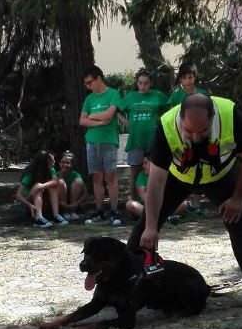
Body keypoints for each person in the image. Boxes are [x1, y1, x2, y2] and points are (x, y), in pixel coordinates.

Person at [127, 93, 242, 310]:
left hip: (219, 177)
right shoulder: (166, 125)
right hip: (178, 178)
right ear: (181, 118)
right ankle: (122, 289)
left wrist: (238, 198)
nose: (196, 137)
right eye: (189, 131)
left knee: (241, 224)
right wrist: (152, 227)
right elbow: (156, 182)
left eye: (203, 131)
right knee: (143, 229)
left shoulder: (230, 114)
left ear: (213, 117)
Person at [79, 65, 122, 226]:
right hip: (92, 141)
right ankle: (99, 210)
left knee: (110, 176)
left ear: (98, 79)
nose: (88, 86)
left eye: (89, 82)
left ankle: (114, 211)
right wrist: (100, 122)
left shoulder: (113, 94)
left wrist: (92, 116)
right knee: (96, 177)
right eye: (86, 84)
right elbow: (82, 121)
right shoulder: (89, 99)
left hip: (109, 140)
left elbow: (109, 115)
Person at [116, 68, 168, 201]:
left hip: (154, 140)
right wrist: (127, 123)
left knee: (155, 172)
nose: (142, 86)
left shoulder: (158, 95)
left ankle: (157, 202)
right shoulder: (130, 97)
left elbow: (170, 108)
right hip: (135, 140)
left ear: (151, 83)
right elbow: (116, 110)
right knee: (135, 173)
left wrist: (160, 122)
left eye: (145, 83)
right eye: (140, 83)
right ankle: (133, 202)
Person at [168, 62, 210, 217]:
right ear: (180, 79)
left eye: (191, 77)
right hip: (181, 136)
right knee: (183, 168)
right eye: (185, 77)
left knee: (200, 166)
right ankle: (183, 205)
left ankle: (196, 203)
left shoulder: (203, 93)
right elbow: (171, 116)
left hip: (199, 135)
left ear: (194, 77)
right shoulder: (176, 95)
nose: (188, 80)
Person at [125, 154, 187, 223]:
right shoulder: (141, 175)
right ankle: (165, 218)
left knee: (183, 202)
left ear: (154, 164)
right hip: (147, 207)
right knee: (130, 204)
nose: (143, 166)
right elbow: (143, 196)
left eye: (145, 163)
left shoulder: (165, 174)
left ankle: (158, 218)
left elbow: (170, 194)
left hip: (163, 207)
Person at [15, 150, 69, 228]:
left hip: (40, 202)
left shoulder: (51, 169)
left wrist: (40, 186)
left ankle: (56, 216)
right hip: (27, 203)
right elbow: (18, 195)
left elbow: (55, 182)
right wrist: (30, 205)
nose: (54, 164)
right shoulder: (30, 173)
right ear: (44, 164)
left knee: (49, 186)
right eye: (52, 162)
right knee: (38, 186)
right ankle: (39, 218)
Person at [57, 150, 87, 221]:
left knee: (78, 182)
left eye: (68, 163)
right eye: (63, 162)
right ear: (59, 163)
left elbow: (85, 193)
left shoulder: (75, 174)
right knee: (60, 182)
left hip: (73, 202)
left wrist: (76, 204)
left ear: (72, 165)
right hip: (60, 204)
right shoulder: (56, 175)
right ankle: (65, 212)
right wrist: (64, 205)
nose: (65, 165)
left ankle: (72, 211)